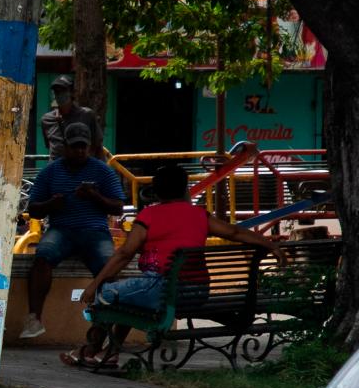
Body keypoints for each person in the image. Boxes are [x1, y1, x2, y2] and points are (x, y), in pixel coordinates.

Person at [68, 162, 284, 368]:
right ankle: (110, 353)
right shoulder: (199, 215)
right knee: (131, 298)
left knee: (106, 294)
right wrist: (269, 245)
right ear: (185, 190)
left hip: (163, 292)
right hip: (197, 293)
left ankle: (89, 350)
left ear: (156, 192)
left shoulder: (149, 215)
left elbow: (125, 253)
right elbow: (235, 232)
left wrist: (94, 285)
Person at [18, 122, 124, 340]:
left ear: (90, 147)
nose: (79, 151)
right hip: (61, 229)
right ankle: (34, 318)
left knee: (109, 267)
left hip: (95, 230)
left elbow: (118, 207)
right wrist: (51, 205)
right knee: (42, 257)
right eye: (75, 146)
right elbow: (34, 209)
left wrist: (95, 197)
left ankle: (104, 324)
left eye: (83, 146)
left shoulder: (102, 171)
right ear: (65, 147)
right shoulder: (50, 172)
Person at [40, 75, 102, 156]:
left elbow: (98, 146)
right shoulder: (46, 120)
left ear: (72, 93)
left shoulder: (87, 115)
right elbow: (50, 146)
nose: (59, 94)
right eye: (56, 91)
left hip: (81, 166)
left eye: (63, 91)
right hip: (57, 167)